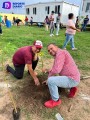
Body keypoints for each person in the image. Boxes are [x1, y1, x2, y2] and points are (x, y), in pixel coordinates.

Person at [42, 43, 80, 108]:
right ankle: (72, 88)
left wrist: (48, 79)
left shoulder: (60, 54)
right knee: (53, 79)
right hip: (73, 78)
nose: (50, 51)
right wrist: (48, 72)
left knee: (51, 81)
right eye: (48, 50)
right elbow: (55, 68)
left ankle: (55, 100)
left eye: (51, 48)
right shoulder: (60, 54)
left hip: (72, 79)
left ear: (56, 47)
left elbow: (56, 70)